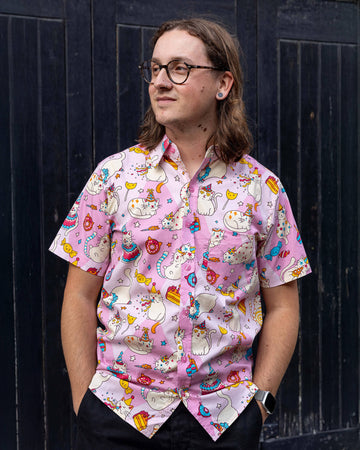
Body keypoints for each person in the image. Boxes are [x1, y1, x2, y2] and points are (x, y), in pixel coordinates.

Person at [50, 18, 311, 449]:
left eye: (179, 68)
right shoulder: (114, 178)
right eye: (154, 69)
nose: (160, 82)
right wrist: (85, 403)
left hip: (223, 421)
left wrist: (259, 404)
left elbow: (283, 305)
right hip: (119, 415)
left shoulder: (262, 189)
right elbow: (78, 296)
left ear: (223, 83)